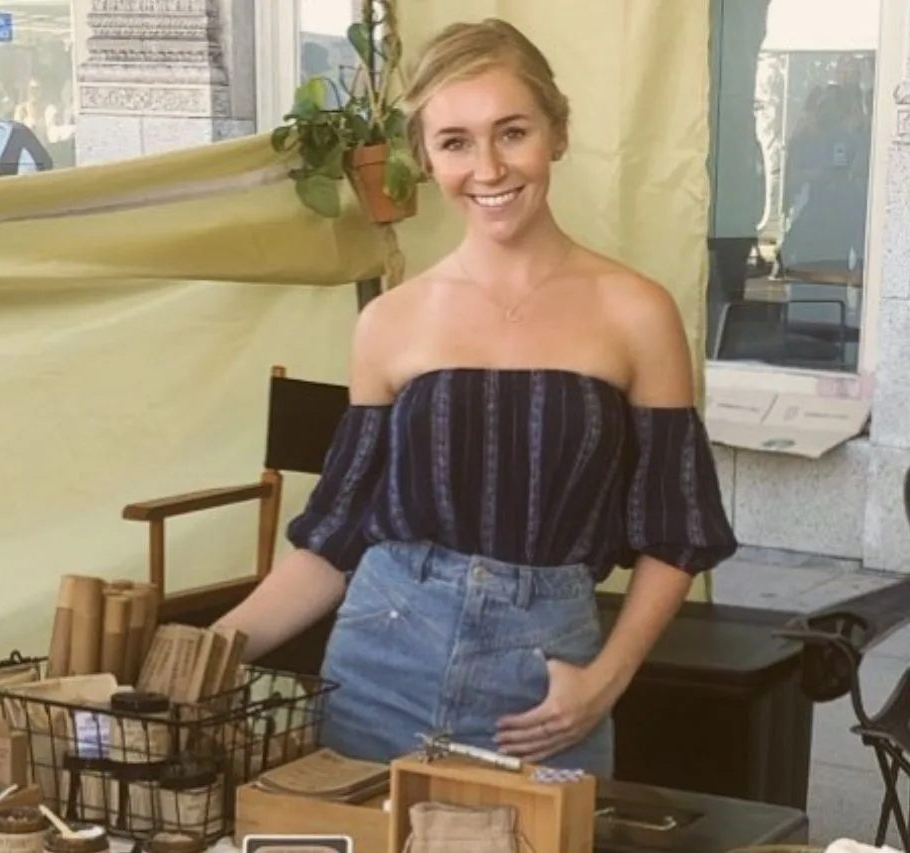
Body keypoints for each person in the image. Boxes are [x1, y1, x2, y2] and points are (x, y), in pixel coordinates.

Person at [214, 18, 737, 777]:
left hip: (545, 690)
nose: (487, 167)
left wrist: (605, 681)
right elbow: (333, 542)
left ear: (556, 133)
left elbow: (676, 531)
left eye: (512, 132)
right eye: (455, 141)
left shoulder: (637, 312)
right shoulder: (388, 322)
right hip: (376, 668)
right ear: (424, 156)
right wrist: (200, 652)